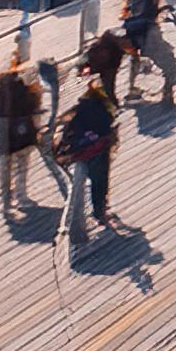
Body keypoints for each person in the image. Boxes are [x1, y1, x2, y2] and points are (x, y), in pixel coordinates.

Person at [55, 77, 119, 242]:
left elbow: (68, 126)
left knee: (77, 189)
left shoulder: (80, 108)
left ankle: (75, 224)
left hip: (79, 152)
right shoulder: (103, 109)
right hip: (98, 150)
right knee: (99, 183)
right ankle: (99, 211)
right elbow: (107, 127)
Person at [0, 51, 46, 210]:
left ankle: (5, 200)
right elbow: (33, 107)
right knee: (21, 165)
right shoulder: (26, 87)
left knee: (5, 167)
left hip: (4, 134)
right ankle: (21, 196)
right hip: (22, 133)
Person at [122, 0, 176, 105]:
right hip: (147, 27)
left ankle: (132, 89)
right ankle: (168, 90)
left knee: (134, 57)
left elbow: (126, 9)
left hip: (131, 26)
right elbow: (155, 5)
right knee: (167, 59)